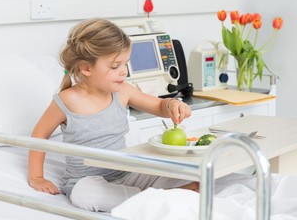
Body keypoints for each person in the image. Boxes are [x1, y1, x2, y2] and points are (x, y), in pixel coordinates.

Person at [28, 18, 198, 213]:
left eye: (125, 64)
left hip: (127, 173)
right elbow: (39, 136)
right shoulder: (66, 100)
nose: (123, 72)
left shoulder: (124, 92)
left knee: (184, 174)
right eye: (115, 66)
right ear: (86, 68)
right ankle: (153, 198)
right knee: (83, 195)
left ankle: (155, 194)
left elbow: (159, 105)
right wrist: (37, 177)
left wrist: (173, 104)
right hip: (86, 181)